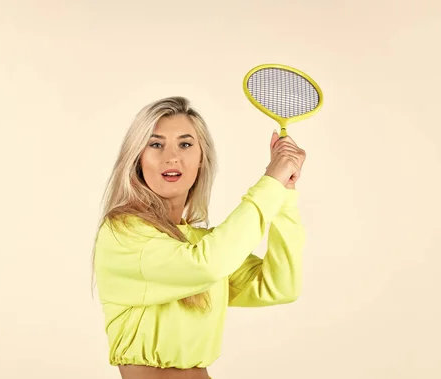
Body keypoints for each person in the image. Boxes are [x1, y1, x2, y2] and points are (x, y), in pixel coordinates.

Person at [91, 96, 306, 379]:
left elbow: (280, 285)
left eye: (185, 144)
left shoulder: (200, 242)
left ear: (202, 158)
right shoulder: (123, 234)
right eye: (155, 144)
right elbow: (208, 264)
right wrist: (271, 182)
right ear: (137, 158)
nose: (172, 156)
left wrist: (284, 193)